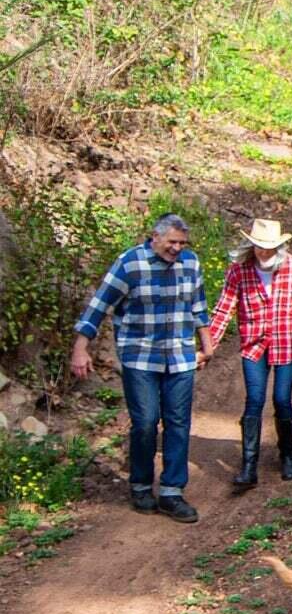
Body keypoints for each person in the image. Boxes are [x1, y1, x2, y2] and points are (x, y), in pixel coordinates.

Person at [70, 214, 211, 523]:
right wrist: (81, 348)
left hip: (180, 354)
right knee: (146, 421)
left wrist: (207, 342)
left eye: (182, 243)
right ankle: (141, 485)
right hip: (140, 356)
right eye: (171, 242)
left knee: (178, 421)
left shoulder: (191, 263)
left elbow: (198, 305)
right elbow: (99, 305)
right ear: (154, 238)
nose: (176, 249)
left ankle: (173, 492)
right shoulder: (130, 263)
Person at [204, 219, 292, 492]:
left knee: (281, 399)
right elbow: (224, 309)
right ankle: (248, 465)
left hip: (287, 342)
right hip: (253, 344)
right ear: (251, 245)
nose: (263, 252)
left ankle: (287, 453)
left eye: (269, 247)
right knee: (254, 399)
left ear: (278, 246)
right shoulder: (239, 271)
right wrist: (209, 345)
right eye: (259, 247)